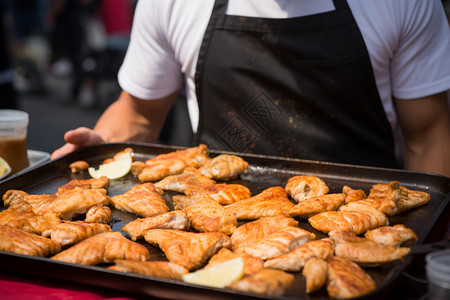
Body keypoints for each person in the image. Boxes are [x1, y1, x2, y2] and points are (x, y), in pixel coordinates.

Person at [51, 0, 450, 178]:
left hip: (359, 222)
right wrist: (102, 151)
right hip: (214, 223)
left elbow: (430, 133)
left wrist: (424, 239)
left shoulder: (402, 1)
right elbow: (138, 112)